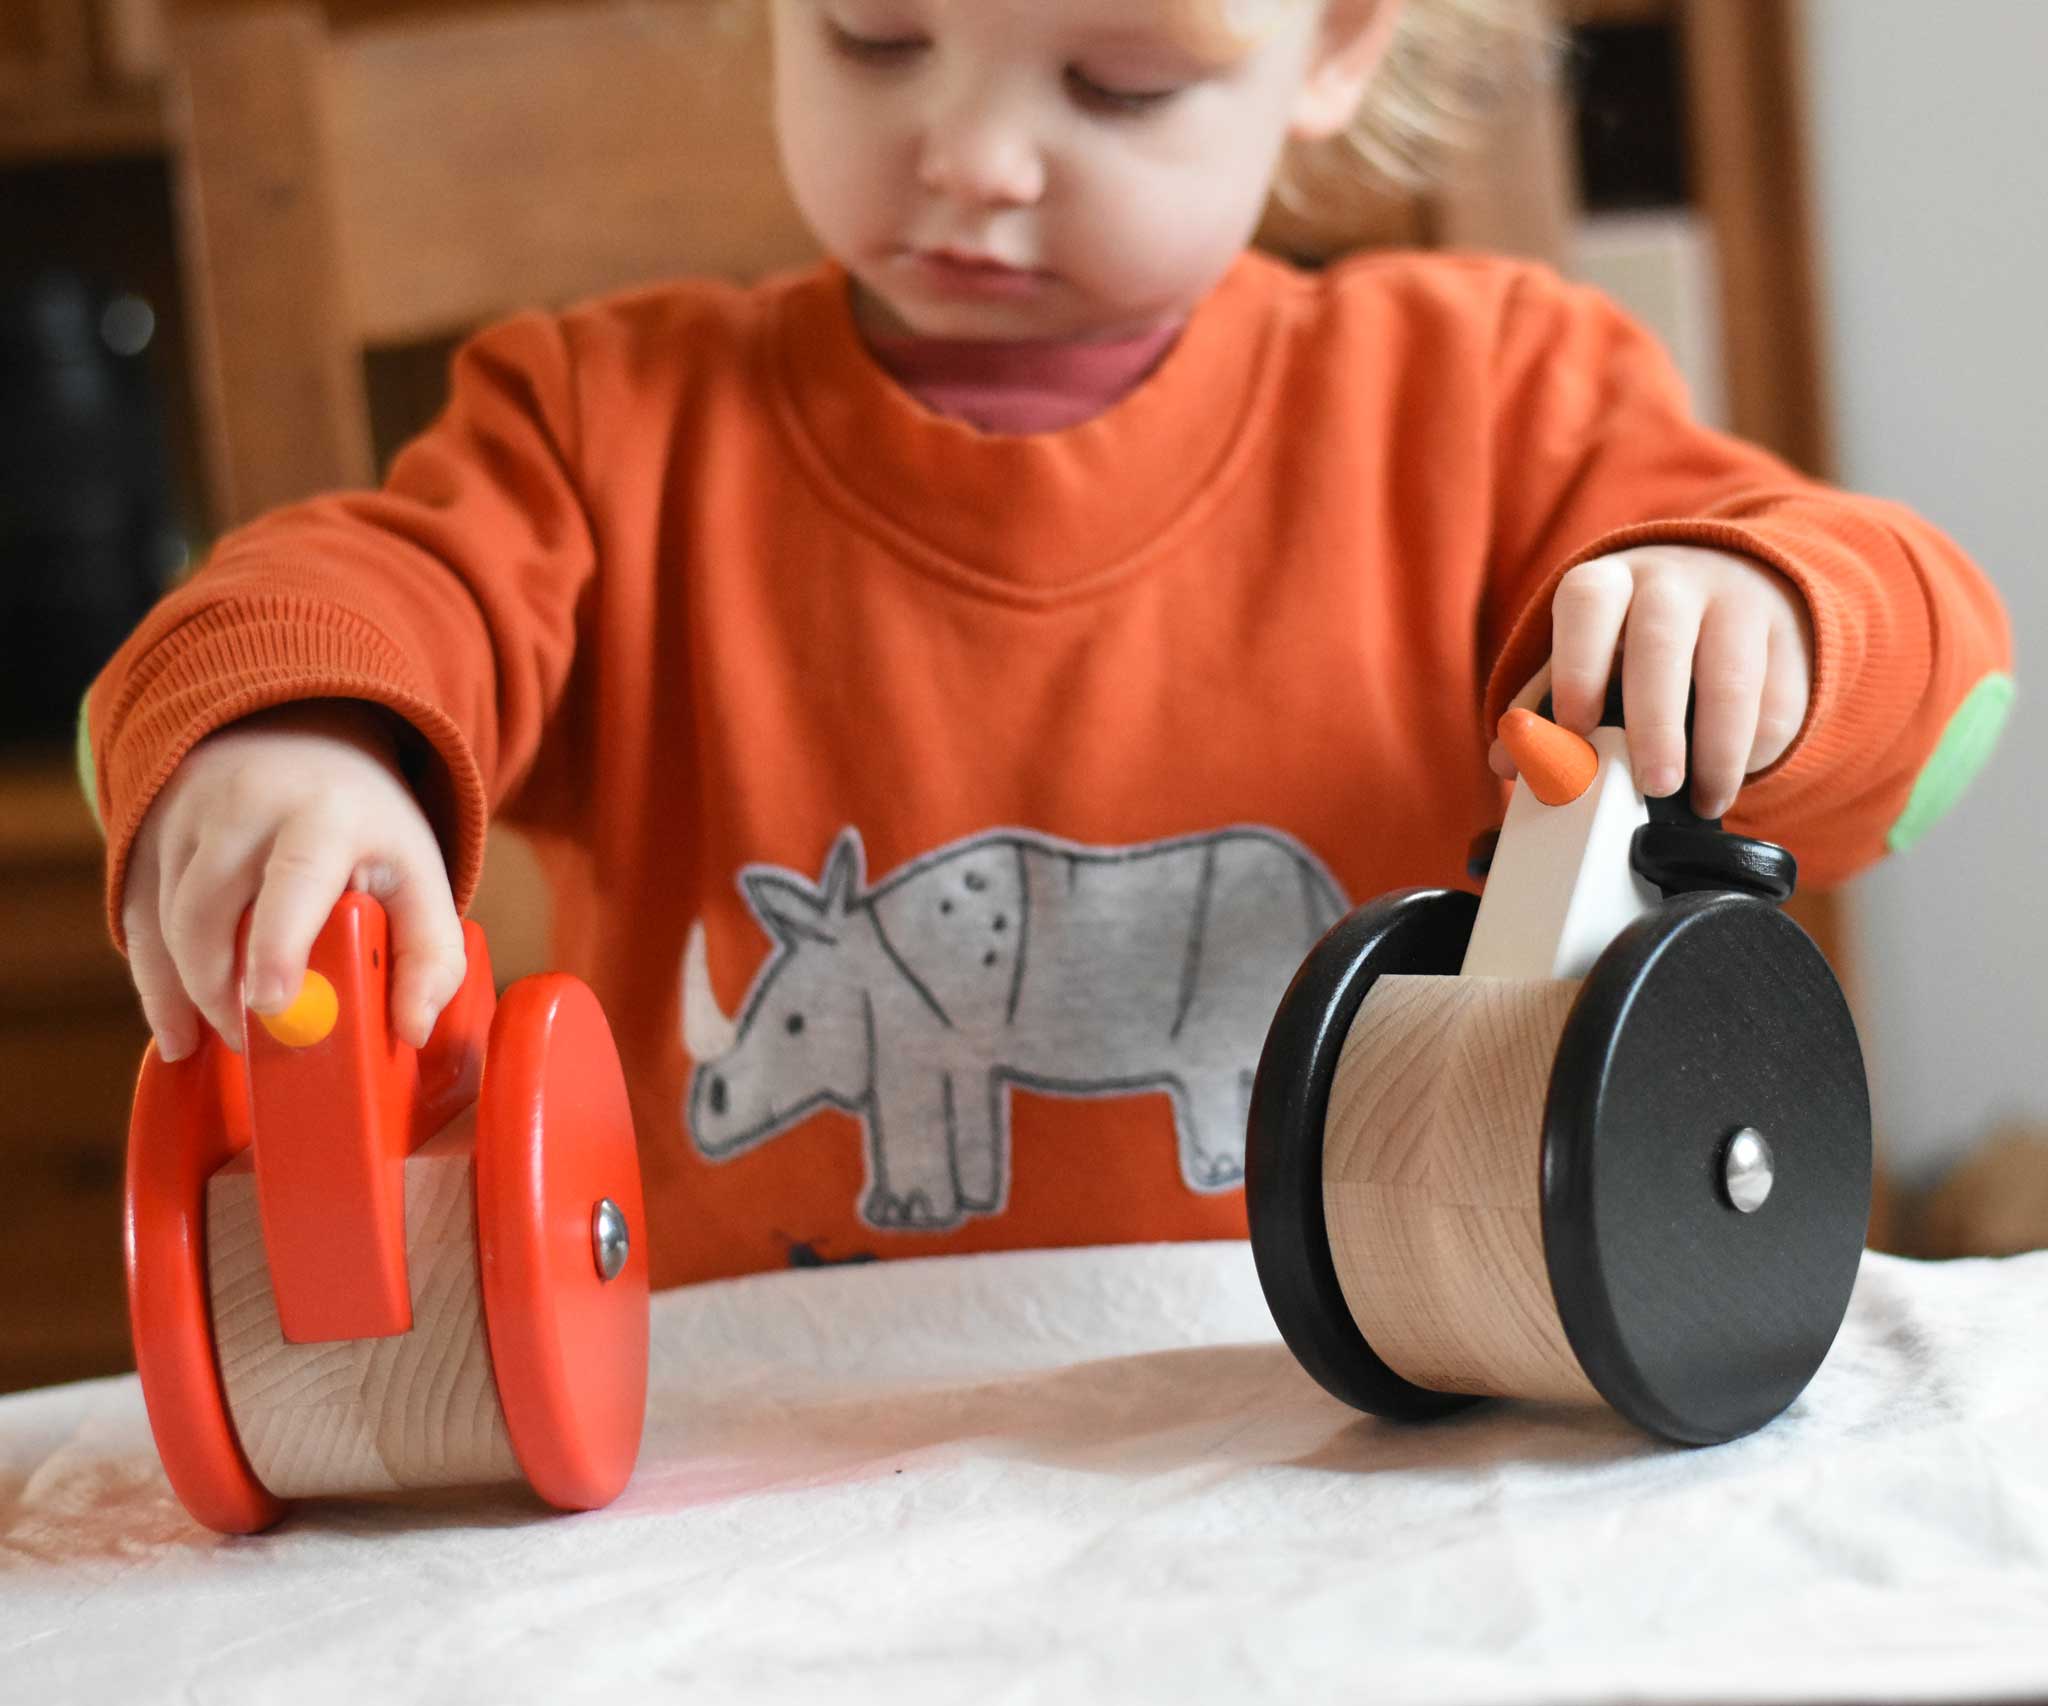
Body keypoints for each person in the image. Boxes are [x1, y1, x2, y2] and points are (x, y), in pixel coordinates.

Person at [84, 0, 2011, 1284]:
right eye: (877, 33)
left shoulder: (1498, 398)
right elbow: (326, 591)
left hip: (1370, 1466)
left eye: (1114, 82)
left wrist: (1762, 622)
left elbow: (1940, 705)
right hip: (774, 1513)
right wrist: (307, 736)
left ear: (1329, 43)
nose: (972, 156)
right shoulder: (599, 432)